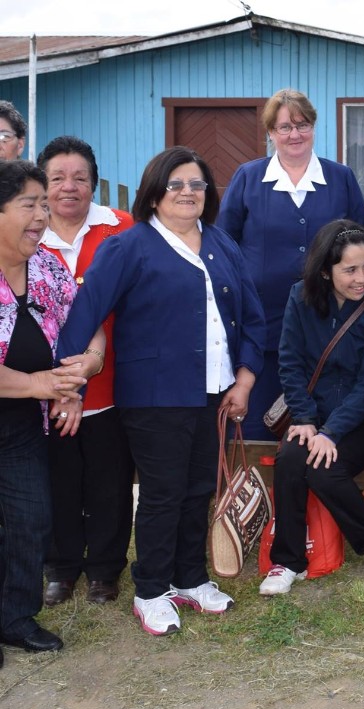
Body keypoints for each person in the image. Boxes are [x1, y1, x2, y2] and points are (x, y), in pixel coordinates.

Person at [57, 147, 266, 637]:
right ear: (154, 192)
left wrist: (246, 378)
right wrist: (67, 384)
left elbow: (253, 317)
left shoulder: (220, 243)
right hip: (155, 395)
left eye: (197, 184)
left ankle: (190, 578)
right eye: (176, 184)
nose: (188, 193)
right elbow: (85, 313)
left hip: (214, 392)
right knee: (162, 493)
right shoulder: (129, 246)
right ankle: (151, 588)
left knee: (199, 491)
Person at [218, 88, 364, 440]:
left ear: (314, 127)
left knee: (314, 429)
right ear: (270, 133)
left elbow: (360, 241)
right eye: (284, 127)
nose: (294, 134)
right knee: (257, 427)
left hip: (326, 320)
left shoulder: (340, 178)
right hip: (261, 322)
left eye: (302, 125)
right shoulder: (248, 177)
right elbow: (225, 243)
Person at [260, 221, 364, 595]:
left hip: (363, 423)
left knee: (322, 469)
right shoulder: (300, 299)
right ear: (325, 270)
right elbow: (289, 363)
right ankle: (288, 561)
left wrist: (331, 432)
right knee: (290, 459)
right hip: (312, 416)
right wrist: (304, 419)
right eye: (349, 269)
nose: (361, 278)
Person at [0, 160, 99, 660]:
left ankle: (16, 618)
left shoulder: (46, 266)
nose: (42, 214)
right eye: (29, 204)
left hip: (20, 425)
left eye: (43, 203)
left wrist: (75, 377)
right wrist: (40, 382)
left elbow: (86, 324)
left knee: (30, 519)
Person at [36, 136, 136, 607]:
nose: (68, 187)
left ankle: (105, 569)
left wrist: (92, 362)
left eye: (79, 178)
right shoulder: (28, 234)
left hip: (114, 381)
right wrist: (61, 383)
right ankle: (61, 566)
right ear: (43, 185)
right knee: (57, 479)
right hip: (45, 389)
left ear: (94, 183)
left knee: (109, 481)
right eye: (57, 178)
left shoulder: (121, 228)